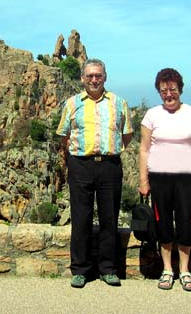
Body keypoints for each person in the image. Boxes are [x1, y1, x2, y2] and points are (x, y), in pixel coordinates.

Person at [56, 58, 133, 288]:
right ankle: (80, 269)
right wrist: (79, 155)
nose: (94, 79)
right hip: (81, 165)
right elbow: (64, 136)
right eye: (89, 75)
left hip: (110, 165)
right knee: (81, 218)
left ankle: (108, 269)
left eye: (98, 75)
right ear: (82, 78)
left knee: (110, 218)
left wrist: (110, 151)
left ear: (105, 77)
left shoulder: (119, 103)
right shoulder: (71, 104)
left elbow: (126, 135)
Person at [138, 67, 191, 292]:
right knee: (163, 224)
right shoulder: (151, 115)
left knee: (186, 224)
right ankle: (167, 270)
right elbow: (144, 149)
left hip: (187, 178)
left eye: (172, 90)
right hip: (159, 178)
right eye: (163, 91)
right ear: (159, 92)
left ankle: (185, 271)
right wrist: (143, 180)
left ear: (180, 90)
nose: (168, 95)